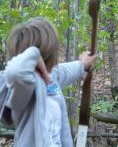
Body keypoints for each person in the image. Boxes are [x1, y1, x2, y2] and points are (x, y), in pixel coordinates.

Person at [0, 17, 96, 147]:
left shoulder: (50, 77)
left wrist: (82, 65)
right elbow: (15, 72)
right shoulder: (24, 86)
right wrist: (34, 54)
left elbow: (65, 71)